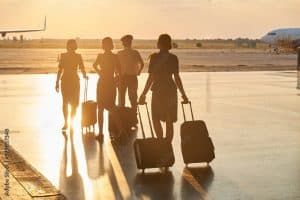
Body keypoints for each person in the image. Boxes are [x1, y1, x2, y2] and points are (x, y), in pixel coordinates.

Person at [139, 34, 189, 142]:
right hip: (171, 90)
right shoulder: (173, 58)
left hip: (158, 90)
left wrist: (143, 94)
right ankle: (168, 144)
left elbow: (150, 78)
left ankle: (161, 142)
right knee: (169, 119)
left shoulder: (154, 58)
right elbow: (177, 78)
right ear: (169, 44)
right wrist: (183, 95)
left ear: (159, 44)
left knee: (155, 118)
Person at [93, 37, 122, 141]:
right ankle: (120, 130)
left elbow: (94, 66)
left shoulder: (101, 56)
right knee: (110, 107)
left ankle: (101, 133)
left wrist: (100, 72)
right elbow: (119, 72)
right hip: (109, 82)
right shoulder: (114, 57)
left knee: (101, 108)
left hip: (103, 82)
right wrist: (116, 80)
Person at [55, 39, 87, 130]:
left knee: (74, 104)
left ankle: (70, 122)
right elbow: (60, 70)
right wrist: (57, 82)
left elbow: (82, 67)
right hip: (67, 81)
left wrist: (85, 75)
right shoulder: (64, 56)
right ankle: (66, 122)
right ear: (68, 46)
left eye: (73, 46)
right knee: (66, 102)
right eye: (70, 46)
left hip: (72, 81)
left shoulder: (78, 56)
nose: (71, 48)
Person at [117, 35, 144, 115]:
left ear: (123, 44)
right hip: (132, 77)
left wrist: (118, 75)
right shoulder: (135, 52)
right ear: (130, 43)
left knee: (122, 98)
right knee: (133, 98)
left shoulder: (119, 53)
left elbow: (116, 66)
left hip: (123, 77)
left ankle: (122, 116)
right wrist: (138, 72)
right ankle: (134, 115)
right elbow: (142, 64)